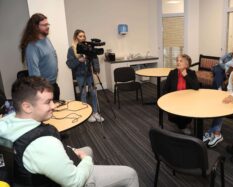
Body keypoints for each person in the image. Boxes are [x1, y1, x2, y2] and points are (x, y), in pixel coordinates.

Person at [0, 77, 139, 186]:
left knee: (88, 149)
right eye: (48, 102)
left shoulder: (8, 121)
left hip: (28, 175)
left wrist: (71, 150)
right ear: (27, 107)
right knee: (130, 174)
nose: (53, 105)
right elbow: (75, 182)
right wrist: (86, 161)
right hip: (67, 182)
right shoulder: (43, 143)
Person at [19, 13, 60, 101]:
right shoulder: (32, 47)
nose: (47, 26)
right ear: (36, 27)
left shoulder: (46, 39)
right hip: (44, 89)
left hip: (53, 85)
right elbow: (34, 73)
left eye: (47, 24)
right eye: (44, 25)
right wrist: (42, 91)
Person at [66, 29, 104, 123]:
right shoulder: (72, 49)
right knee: (83, 94)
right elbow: (70, 63)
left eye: (83, 36)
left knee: (93, 93)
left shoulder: (88, 46)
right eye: (80, 36)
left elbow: (95, 58)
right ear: (76, 37)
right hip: (80, 75)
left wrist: (96, 70)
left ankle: (95, 112)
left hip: (90, 74)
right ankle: (87, 114)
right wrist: (79, 60)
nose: (82, 38)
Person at [163, 54, 199, 135]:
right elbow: (165, 88)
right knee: (178, 117)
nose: (178, 63)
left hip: (187, 100)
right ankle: (182, 126)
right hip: (175, 99)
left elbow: (196, 87)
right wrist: (165, 100)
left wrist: (185, 75)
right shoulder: (172, 73)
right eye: (177, 61)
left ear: (186, 64)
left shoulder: (191, 73)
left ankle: (185, 123)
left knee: (185, 112)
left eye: (181, 61)